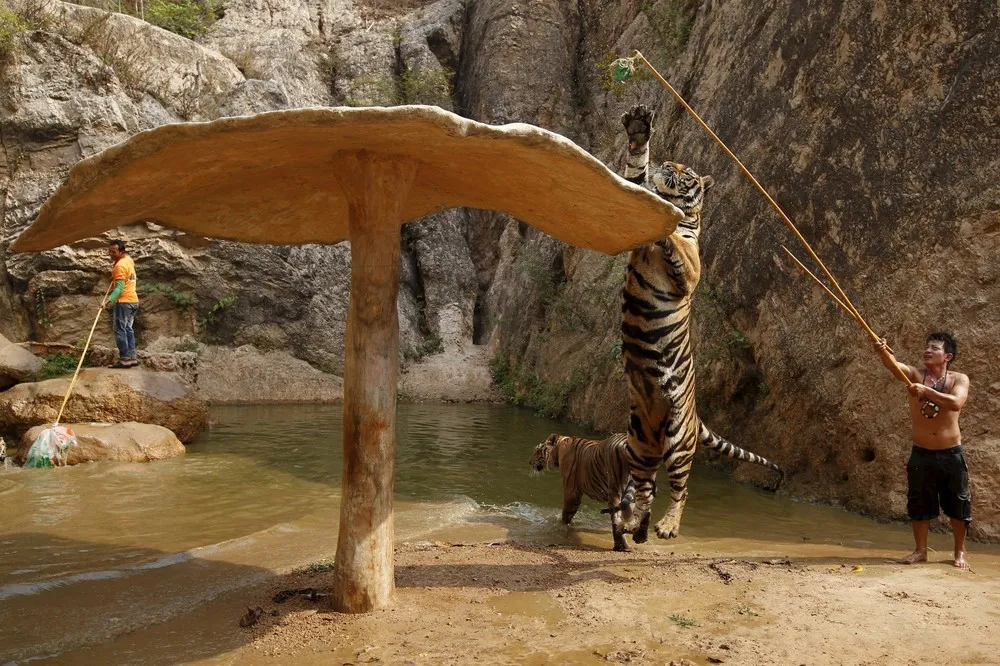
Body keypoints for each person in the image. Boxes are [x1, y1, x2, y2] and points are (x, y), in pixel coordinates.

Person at [874, 332, 971, 569]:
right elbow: (895, 367)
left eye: (934, 348)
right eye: (926, 347)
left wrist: (926, 392)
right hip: (921, 452)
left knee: (959, 504)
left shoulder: (959, 379)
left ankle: (960, 551)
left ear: (947, 356)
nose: (927, 350)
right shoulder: (917, 375)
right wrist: (882, 352)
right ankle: (920, 551)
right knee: (918, 503)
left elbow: (956, 403)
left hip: (951, 453)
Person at [104, 240, 140, 368]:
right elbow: (127, 276)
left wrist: (107, 301)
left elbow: (119, 289)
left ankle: (124, 359)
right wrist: (115, 277)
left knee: (120, 330)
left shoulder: (119, 266)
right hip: (134, 301)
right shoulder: (128, 260)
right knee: (128, 329)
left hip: (124, 302)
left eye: (114, 252)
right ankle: (132, 357)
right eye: (109, 252)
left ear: (121, 252)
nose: (111, 255)